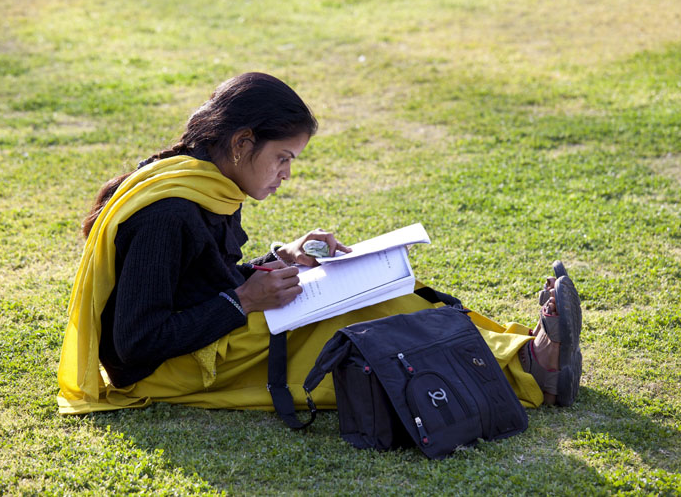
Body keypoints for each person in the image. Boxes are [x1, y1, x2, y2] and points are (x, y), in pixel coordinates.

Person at [57, 72, 582, 415]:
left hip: (214, 335)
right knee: (364, 319)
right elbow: (134, 344)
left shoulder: (210, 183)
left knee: (379, 290)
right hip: (174, 368)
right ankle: (531, 368)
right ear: (242, 144)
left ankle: (522, 353)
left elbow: (200, 279)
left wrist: (284, 259)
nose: (286, 174)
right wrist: (243, 301)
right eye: (283, 157)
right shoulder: (169, 211)